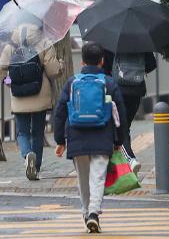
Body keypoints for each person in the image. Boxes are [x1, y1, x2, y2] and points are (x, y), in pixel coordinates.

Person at [54, 42, 126, 233]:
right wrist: (119, 140)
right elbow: (121, 114)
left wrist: (60, 140)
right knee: (98, 177)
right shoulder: (109, 83)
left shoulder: (71, 83)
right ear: (102, 61)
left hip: (77, 138)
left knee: (83, 179)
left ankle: (87, 214)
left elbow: (60, 112)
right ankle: (93, 213)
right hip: (102, 138)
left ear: (82, 61)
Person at [0, 23, 63, 181]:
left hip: (19, 97)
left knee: (22, 132)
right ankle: (36, 168)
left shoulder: (10, 46)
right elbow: (53, 72)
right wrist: (60, 64)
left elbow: (2, 71)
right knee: (38, 133)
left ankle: (27, 155)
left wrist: (10, 83)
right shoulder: (45, 43)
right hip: (41, 94)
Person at [103, 50, 157, 174]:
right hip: (136, 90)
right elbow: (151, 64)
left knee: (121, 127)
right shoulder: (141, 42)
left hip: (117, 90)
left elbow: (104, 66)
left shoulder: (111, 42)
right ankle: (121, 165)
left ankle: (131, 160)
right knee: (124, 127)